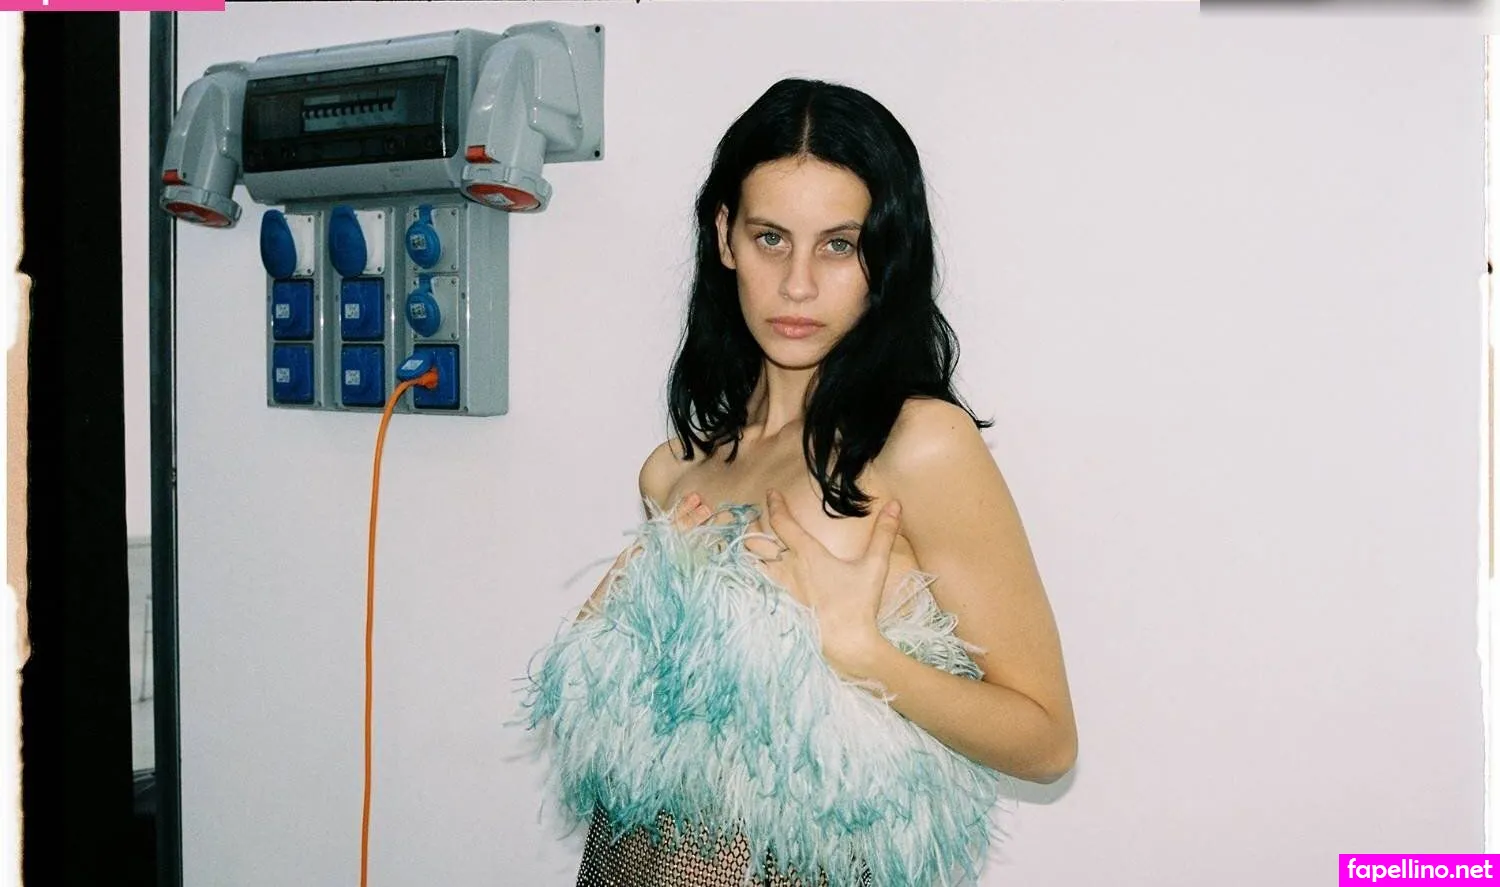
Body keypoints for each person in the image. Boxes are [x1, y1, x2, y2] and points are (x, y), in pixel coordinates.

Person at [523, 78, 1077, 887]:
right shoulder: (673, 470)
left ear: (885, 254)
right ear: (725, 236)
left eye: (839, 245)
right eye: (771, 238)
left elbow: (1046, 739)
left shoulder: (919, 445)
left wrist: (863, 651)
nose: (798, 284)